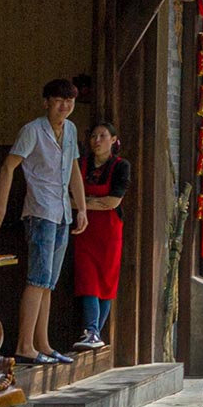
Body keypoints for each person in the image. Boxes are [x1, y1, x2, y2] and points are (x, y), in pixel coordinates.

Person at [0, 78, 88, 366]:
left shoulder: (71, 130)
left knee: (49, 283)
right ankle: (25, 345)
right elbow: (8, 167)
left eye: (70, 101)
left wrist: (81, 208)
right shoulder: (32, 131)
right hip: (40, 211)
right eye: (58, 100)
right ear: (46, 102)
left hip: (63, 212)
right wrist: (1, 211)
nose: (65, 106)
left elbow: (75, 171)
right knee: (37, 279)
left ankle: (43, 343)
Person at [72, 121, 130, 352]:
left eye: (103, 136)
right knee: (87, 279)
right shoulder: (80, 164)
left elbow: (113, 201)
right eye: (94, 136)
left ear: (114, 140)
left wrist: (83, 204)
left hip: (109, 231)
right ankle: (91, 330)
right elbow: (67, 197)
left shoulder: (120, 166)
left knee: (106, 280)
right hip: (83, 229)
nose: (97, 140)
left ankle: (95, 332)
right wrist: (91, 205)